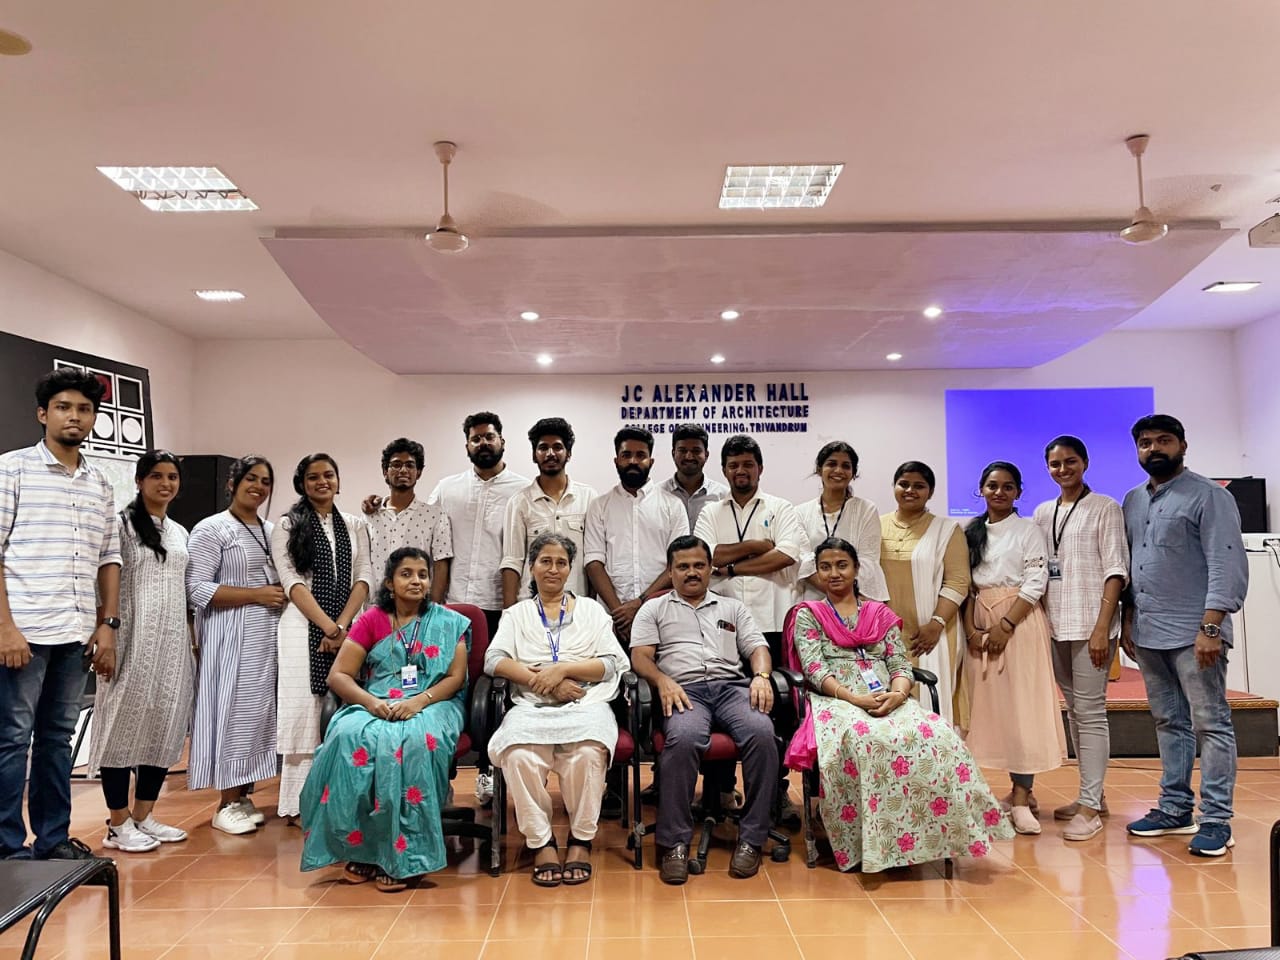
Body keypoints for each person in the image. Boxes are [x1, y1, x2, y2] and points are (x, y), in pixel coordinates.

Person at [784, 537, 1012, 872]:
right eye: (825, 567)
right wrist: (854, 698)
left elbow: (900, 665)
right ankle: (874, 841)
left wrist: (898, 695)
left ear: (857, 569)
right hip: (836, 698)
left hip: (889, 695)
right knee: (865, 738)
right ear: (817, 573)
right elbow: (814, 669)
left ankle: (934, 835)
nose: (834, 573)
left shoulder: (879, 614)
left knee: (939, 736)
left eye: (842, 565)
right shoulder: (809, 615)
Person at [0, 368, 121, 861]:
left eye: (84, 409)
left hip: (75, 632)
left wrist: (108, 624)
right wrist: (5, 627)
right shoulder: (12, 470)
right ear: (42, 414)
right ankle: (7, 846)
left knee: (56, 739)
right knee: (11, 740)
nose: (75, 417)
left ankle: (52, 840)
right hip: (23, 631)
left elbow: (109, 557)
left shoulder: (100, 483)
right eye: (64, 407)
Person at [299, 547, 470, 892]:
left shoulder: (449, 622)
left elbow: (455, 678)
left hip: (434, 701)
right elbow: (339, 676)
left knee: (414, 740)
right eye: (406, 574)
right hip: (377, 699)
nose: (416, 581)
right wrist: (371, 703)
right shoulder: (372, 619)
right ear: (390, 582)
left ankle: (409, 855)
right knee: (346, 735)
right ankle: (363, 848)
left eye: (422, 574)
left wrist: (419, 701)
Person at [1121, 414, 1248, 858]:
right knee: (1168, 722)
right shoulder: (1133, 500)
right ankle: (1175, 809)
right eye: (1145, 443)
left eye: (1164, 440)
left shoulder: (1210, 496)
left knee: (1210, 723)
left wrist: (1211, 627)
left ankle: (1216, 820)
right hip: (1150, 632)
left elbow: (1226, 563)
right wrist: (1129, 619)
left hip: (1197, 633)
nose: (1154, 449)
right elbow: (1134, 565)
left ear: (1182, 445)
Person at [630, 535, 779, 884]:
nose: (692, 572)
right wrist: (662, 680)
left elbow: (757, 647)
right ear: (670, 571)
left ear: (711, 568)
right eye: (683, 566)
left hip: (731, 688)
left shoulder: (733, 608)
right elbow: (640, 657)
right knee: (682, 739)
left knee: (762, 734)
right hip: (684, 689)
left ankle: (752, 838)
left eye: (699, 565)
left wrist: (761, 677)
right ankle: (674, 843)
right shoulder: (653, 609)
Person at [485, 533, 628, 886]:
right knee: (518, 755)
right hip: (532, 704)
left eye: (561, 562)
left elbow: (610, 663)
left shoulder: (592, 610)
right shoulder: (516, 614)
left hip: (586, 701)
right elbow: (494, 660)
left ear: (570, 568)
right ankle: (541, 841)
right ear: (531, 567)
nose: (553, 569)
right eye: (545, 561)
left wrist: (562, 670)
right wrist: (544, 682)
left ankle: (581, 839)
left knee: (588, 754)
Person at [694, 434, 805, 818]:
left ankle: (775, 793)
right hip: (721, 626)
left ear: (760, 468)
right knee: (721, 707)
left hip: (770, 622)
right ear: (724, 470)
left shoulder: (781, 507)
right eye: (733, 465)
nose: (741, 471)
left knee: (777, 711)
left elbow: (786, 555)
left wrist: (731, 568)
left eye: (747, 464)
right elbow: (707, 555)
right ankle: (720, 791)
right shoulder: (711, 512)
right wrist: (758, 545)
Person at [88, 451, 194, 853]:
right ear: (139, 481)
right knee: (119, 727)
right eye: (156, 476)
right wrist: (104, 633)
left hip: (172, 645)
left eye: (172, 477)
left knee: (164, 725)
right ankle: (117, 824)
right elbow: (101, 581)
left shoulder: (180, 532)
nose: (165, 484)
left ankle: (144, 814)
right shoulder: (120, 526)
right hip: (130, 640)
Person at [425, 411, 529, 806]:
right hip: (453, 608)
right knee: (448, 688)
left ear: (503, 441)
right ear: (467, 445)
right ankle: (445, 773)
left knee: (496, 693)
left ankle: (488, 771)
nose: (483, 443)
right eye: (476, 438)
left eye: (489, 436)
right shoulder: (447, 488)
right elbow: (424, 528)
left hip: (500, 607)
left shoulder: (522, 489)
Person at [962, 461, 1065, 836]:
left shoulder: (1028, 530)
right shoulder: (970, 532)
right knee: (989, 713)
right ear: (981, 489)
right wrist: (972, 630)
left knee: (1023, 711)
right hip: (980, 625)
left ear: (1019, 492)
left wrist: (1006, 625)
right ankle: (1003, 793)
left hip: (1019, 624)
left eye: (1008, 486)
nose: (999, 492)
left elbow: (1037, 581)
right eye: (992, 485)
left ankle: (1022, 799)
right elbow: (966, 585)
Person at [1032, 436, 1128, 841]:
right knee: (1074, 710)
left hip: (1091, 625)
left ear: (1085, 463)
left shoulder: (1105, 507)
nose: (1063, 469)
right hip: (1055, 624)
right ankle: (1094, 795)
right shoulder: (1042, 511)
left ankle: (1089, 808)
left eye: (1070, 461)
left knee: (1090, 712)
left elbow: (1116, 570)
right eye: (1055, 464)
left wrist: (1102, 628)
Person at [187, 456, 286, 835]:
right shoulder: (212, 529)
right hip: (231, 637)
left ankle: (243, 796)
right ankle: (224, 803)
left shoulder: (271, 530)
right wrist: (256, 595)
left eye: (265, 481)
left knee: (258, 717)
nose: (258, 487)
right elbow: (196, 588)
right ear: (232, 483)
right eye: (250, 479)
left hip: (267, 636)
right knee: (233, 715)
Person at [272, 453, 373, 822]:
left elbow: (364, 576)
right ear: (302, 484)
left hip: (350, 628)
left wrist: (342, 626)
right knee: (304, 713)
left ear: (338, 480)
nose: (322, 482)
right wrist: (327, 627)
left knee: (347, 709)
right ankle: (301, 803)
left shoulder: (355, 524)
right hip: (301, 628)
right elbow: (291, 582)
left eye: (328, 475)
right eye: (313, 477)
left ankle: (344, 799)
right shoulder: (287, 525)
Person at [879, 461, 970, 726]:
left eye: (919, 486)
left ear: (930, 492)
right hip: (885, 633)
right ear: (894, 487)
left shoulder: (946, 529)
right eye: (904, 484)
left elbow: (958, 581)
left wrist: (936, 624)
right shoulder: (876, 525)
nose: (910, 490)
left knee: (930, 706)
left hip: (931, 633)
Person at [584, 426, 687, 644]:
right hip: (611, 620)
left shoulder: (673, 505)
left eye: (640, 455)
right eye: (626, 455)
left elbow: (678, 563)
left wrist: (641, 603)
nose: (633, 461)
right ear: (616, 460)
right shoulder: (599, 506)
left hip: (662, 614)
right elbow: (594, 563)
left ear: (651, 461)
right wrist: (620, 614)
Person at [501, 418, 597, 608]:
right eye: (543, 448)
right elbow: (512, 562)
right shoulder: (520, 502)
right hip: (530, 605)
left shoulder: (588, 498)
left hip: (577, 605)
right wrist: (509, 614)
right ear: (534, 455)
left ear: (568, 454)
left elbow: (593, 560)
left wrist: (592, 608)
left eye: (557, 447)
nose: (550, 453)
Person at [796, 441, 888, 602]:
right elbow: (803, 561)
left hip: (858, 600)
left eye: (846, 466)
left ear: (853, 473)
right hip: (814, 601)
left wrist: (848, 599)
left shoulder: (866, 509)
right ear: (819, 469)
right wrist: (838, 593)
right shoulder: (800, 512)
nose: (838, 470)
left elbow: (868, 561)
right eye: (832, 464)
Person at [363, 438, 451, 600]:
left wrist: (434, 608)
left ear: (419, 472)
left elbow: (441, 565)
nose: (403, 470)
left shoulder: (435, 516)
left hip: (418, 606)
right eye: (396, 465)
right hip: (376, 606)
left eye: (410, 465)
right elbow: (362, 565)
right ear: (385, 471)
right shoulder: (370, 517)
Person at [662, 423, 728, 533]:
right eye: (682, 450)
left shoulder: (723, 496)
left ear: (706, 455)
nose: (689, 456)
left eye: (696, 451)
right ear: (673, 453)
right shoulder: (658, 494)